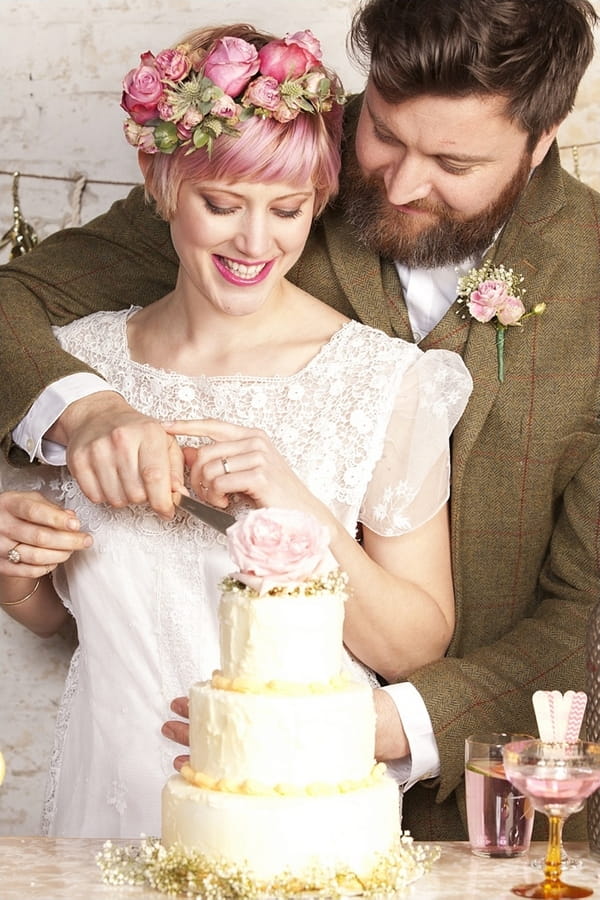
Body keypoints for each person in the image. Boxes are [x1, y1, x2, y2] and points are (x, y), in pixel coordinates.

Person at [0, 0, 597, 842]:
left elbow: (587, 612)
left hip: (481, 810)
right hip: (131, 780)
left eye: (454, 161)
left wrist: (373, 727)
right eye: (384, 132)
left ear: (542, 140)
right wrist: (87, 410)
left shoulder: (592, 276)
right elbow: (18, 305)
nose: (398, 182)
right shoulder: (270, 146)